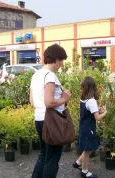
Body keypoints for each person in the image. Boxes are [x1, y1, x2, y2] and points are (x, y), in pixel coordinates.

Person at [30, 44, 71, 178]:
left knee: (43, 154)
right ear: (57, 59)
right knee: (52, 158)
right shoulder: (50, 76)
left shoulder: (36, 75)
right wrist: (64, 98)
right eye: (62, 60)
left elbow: (32, 101)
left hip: (40, 119)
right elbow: (49, 102)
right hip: (51, 122)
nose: (62, 63)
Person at [73, 76, 107, 178]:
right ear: (93, 87)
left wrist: (97, 109)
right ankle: (84, 172)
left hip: (84, 127)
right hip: (89, 129)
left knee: (89, 147)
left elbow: (90, 111)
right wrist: (105, 112)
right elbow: (97, 117)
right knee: (88, 150)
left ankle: (78, 162)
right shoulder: (91, 101)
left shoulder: (83, 99)